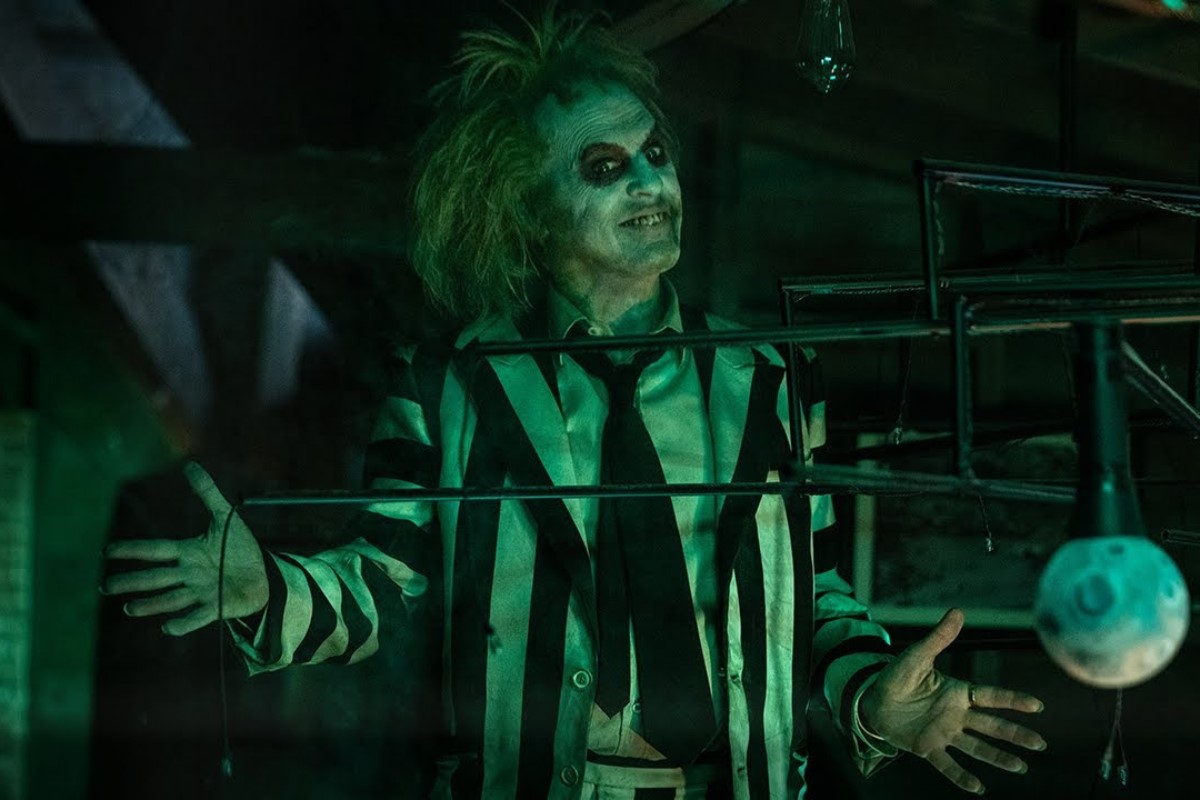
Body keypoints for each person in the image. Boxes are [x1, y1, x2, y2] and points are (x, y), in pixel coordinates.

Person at [102, 7, 1047, 798]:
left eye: (656, 153)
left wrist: (873, 697)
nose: (651, 181)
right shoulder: (448, 387)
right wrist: (267, 592)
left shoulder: (771, 376)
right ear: (526, 208)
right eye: (605, 166)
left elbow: (817, 594)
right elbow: (385, 584)